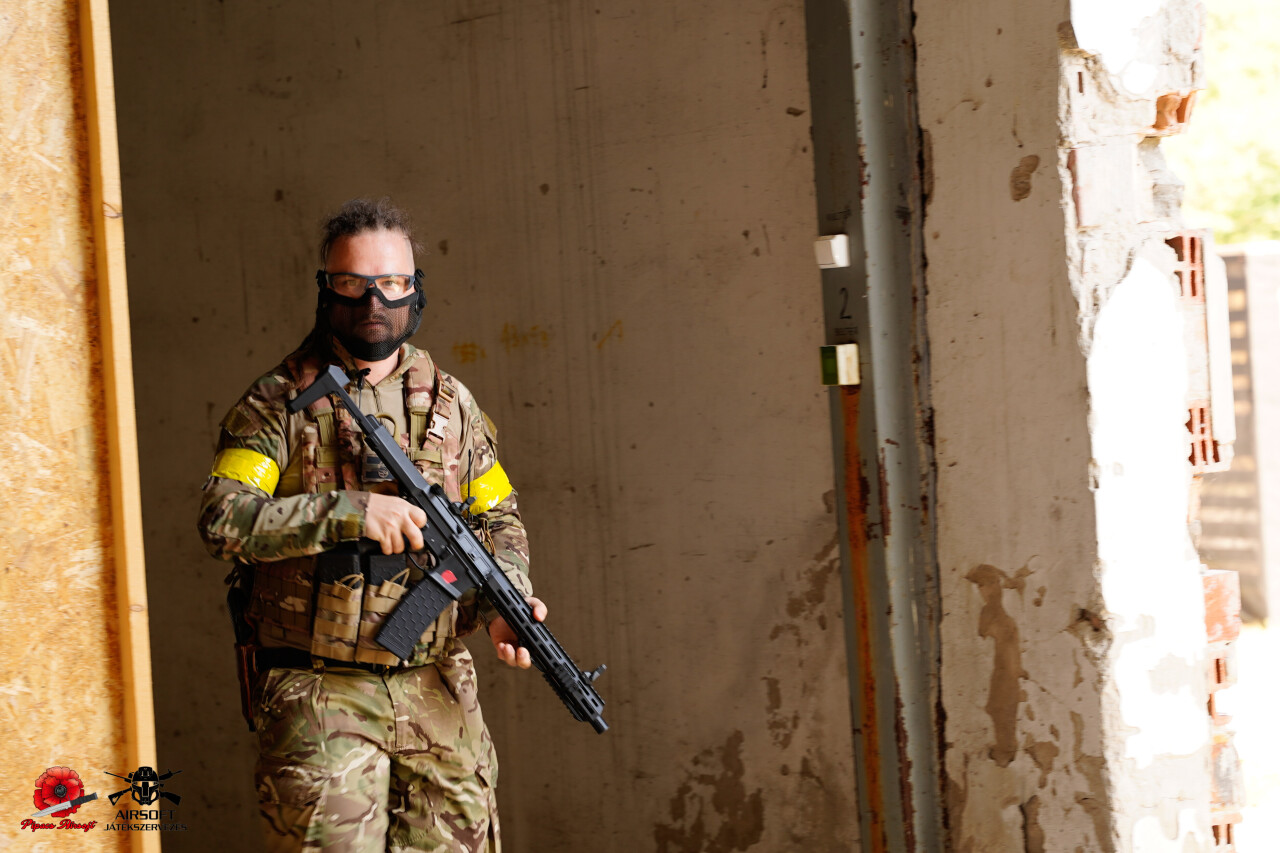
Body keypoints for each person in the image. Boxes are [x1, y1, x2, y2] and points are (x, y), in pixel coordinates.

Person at [198, 197, 542, 852]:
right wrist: (348, 512)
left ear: (416, 289)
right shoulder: (277, 403)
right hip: (320, 692)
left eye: (392, 282)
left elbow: (498, 517)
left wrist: (507, 599)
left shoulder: (453, 405)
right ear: (326, 289)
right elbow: (223, 519)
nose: (374, 301)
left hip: (437, 689)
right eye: (353, 284)